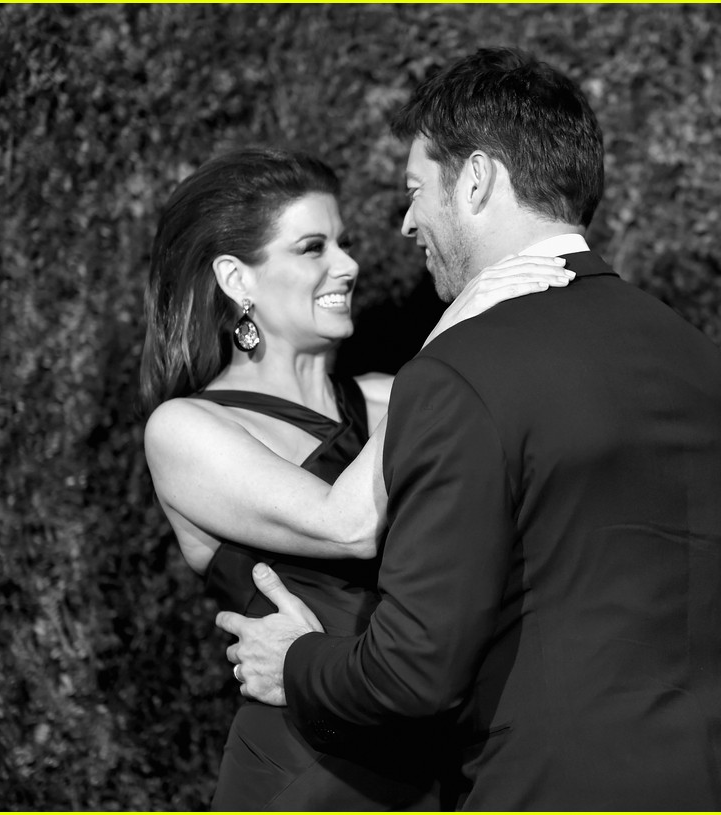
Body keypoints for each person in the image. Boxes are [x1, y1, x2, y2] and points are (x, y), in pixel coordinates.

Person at [219, 48, 721, 810]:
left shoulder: (461, 371)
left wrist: (296, 663)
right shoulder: (698, 359)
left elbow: (411, 673)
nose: (406, 222)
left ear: (479, 179)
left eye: (416, 191)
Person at [140, 146, 578, 808]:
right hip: (303, 770)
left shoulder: (391, 397)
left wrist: (719, 455)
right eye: (312, 247)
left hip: (435, 767)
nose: (348, 265)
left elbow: (559, 482)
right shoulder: (185, 430)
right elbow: (345, 525)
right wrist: (459, 328)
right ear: (237, 278)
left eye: (343, 243)